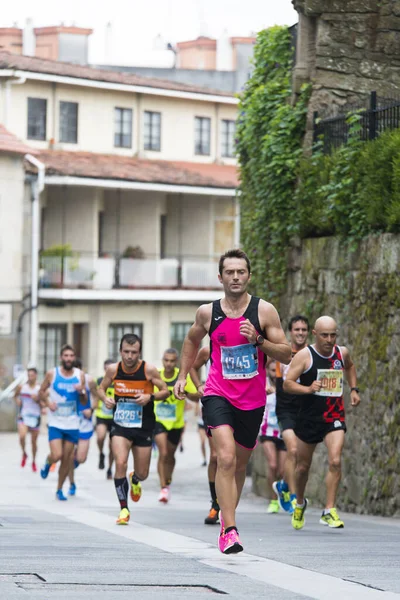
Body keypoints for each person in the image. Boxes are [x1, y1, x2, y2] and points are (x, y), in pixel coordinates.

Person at [174, 249, 291, 554]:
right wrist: (181, 377)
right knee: (224, 458)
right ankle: (231, 529)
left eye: (241, 272)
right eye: (230, 272)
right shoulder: (207, 312)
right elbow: (190, 342)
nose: (235, 277)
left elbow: (286, 353)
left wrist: (259, 340)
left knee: (239, 464)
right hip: (217, 394)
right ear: (220, 277)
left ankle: (226, 523)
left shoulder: (264, 312)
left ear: (248, 276)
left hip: (251, 402)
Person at [284, 316, 361, 530]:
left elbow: (351, 367)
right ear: (315, 334)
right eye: (324, 335)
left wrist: (354, 390)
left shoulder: (341, 353)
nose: (329, 339)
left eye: (333, 335)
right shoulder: (304, 356)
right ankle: (300, 503)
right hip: (308, 418)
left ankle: (329, 510)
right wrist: (308, 389)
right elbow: (288, 384)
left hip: (334, 416)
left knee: (335, 461)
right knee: (302, 468)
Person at [98, 333, 169, 525]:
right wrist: (105, 399)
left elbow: (165, 390)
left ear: (139, 353)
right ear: (120, 351)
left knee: (143, 473)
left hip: (143, 426)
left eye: (134, 353)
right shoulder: (113, 370)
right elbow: (101, 388)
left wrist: (150, 397)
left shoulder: (149, 370)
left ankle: (135, 479)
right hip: (120, 425)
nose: (129, 356)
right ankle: (123, 509)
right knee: (120, 463)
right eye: (126, 352)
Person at [39, 345, 87, 501]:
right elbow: (41, 392)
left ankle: (59, 489)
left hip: (72, 423)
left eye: (71, 356)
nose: (68, 358)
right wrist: (48, 403)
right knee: (57, 455)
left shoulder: (80, 375)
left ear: (74, 358)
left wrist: (82, 392)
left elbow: (84, 401)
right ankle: (48, 462)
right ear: (61, 358)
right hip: (56, 423)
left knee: (67, 459)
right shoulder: (52, 374)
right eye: (66, 355)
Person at [274, 315, 310, 513]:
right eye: (297, 329)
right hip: (285, 408)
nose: (300, 333)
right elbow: (261, 364)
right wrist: (266, 386)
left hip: (304, 409)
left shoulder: (311, 353)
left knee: (300, 457)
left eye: (304, 330)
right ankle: (295, 497)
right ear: (290, 332)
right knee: (293, 450)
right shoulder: (283, 352)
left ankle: (283, 486)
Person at [153, 348, 198, 503]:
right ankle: (163, 488)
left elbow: (196, 397)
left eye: (172, 361)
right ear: (162, 360)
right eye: (166, 360)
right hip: (158, 421)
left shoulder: (182, 376)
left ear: (176, 362)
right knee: (163, 453)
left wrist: (188, 393)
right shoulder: (155, 375)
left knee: (170, 456)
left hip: (176, 423)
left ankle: (168, 481)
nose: (169, 364)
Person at [190, 346, 220, 525]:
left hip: (240, 401)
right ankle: (215, 504)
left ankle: (230, 504)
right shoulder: (207, 349)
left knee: (235, 459)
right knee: (216, 456)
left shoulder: (246, 343)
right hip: (214, 402)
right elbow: (193, 367)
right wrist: (200, 386)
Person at [259, 361, 287, 514]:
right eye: (272, 370)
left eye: (277, 370)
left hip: (283, 431)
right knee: (273, 465)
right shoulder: (263, 383)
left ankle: (281, 494)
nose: (275, 373)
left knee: (282, 470)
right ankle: (273, 500)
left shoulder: (286, 384)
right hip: (267, 431)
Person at [68, 359, 97, 496]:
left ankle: (68, 466)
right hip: (68, 423)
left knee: (80, 458)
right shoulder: (64, 381)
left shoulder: (90, 381)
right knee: (68, 455)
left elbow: (97, 398)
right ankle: (71, 482)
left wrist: (91, 409)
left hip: (84, 423)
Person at [14, 367, 41, 472]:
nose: (30, 377)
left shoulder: (39, 389)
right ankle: (24, 453)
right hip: (24, 415)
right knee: (22, 436)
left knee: (34, 442)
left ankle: (34, 461)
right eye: (29, 375)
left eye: (32, 375)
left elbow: (44, 403)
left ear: (36, 376)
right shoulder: (22, 387)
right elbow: (15, 396)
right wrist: (17, 401)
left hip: (35, 416)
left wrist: (37, 400)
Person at [95, 359, 115, 479]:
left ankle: (109, 468)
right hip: (101, 415)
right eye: (106, 368)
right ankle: (101, 453)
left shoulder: (118, 382)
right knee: (100, 436)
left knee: (112, 446)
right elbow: (95, 394)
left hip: (115, 417)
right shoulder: (98, 381)